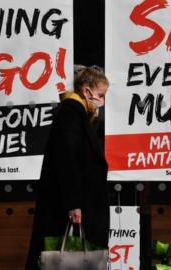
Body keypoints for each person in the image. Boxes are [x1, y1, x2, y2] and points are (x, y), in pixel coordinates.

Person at [25, 66, 110, 269]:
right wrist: (74, 203)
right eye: (100, 95)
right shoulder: (71, 114)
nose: (102, 101)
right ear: (86, 91)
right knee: (64, 256)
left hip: (77, 200)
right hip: (71, 204)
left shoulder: (77, 112)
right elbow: (68, 159)